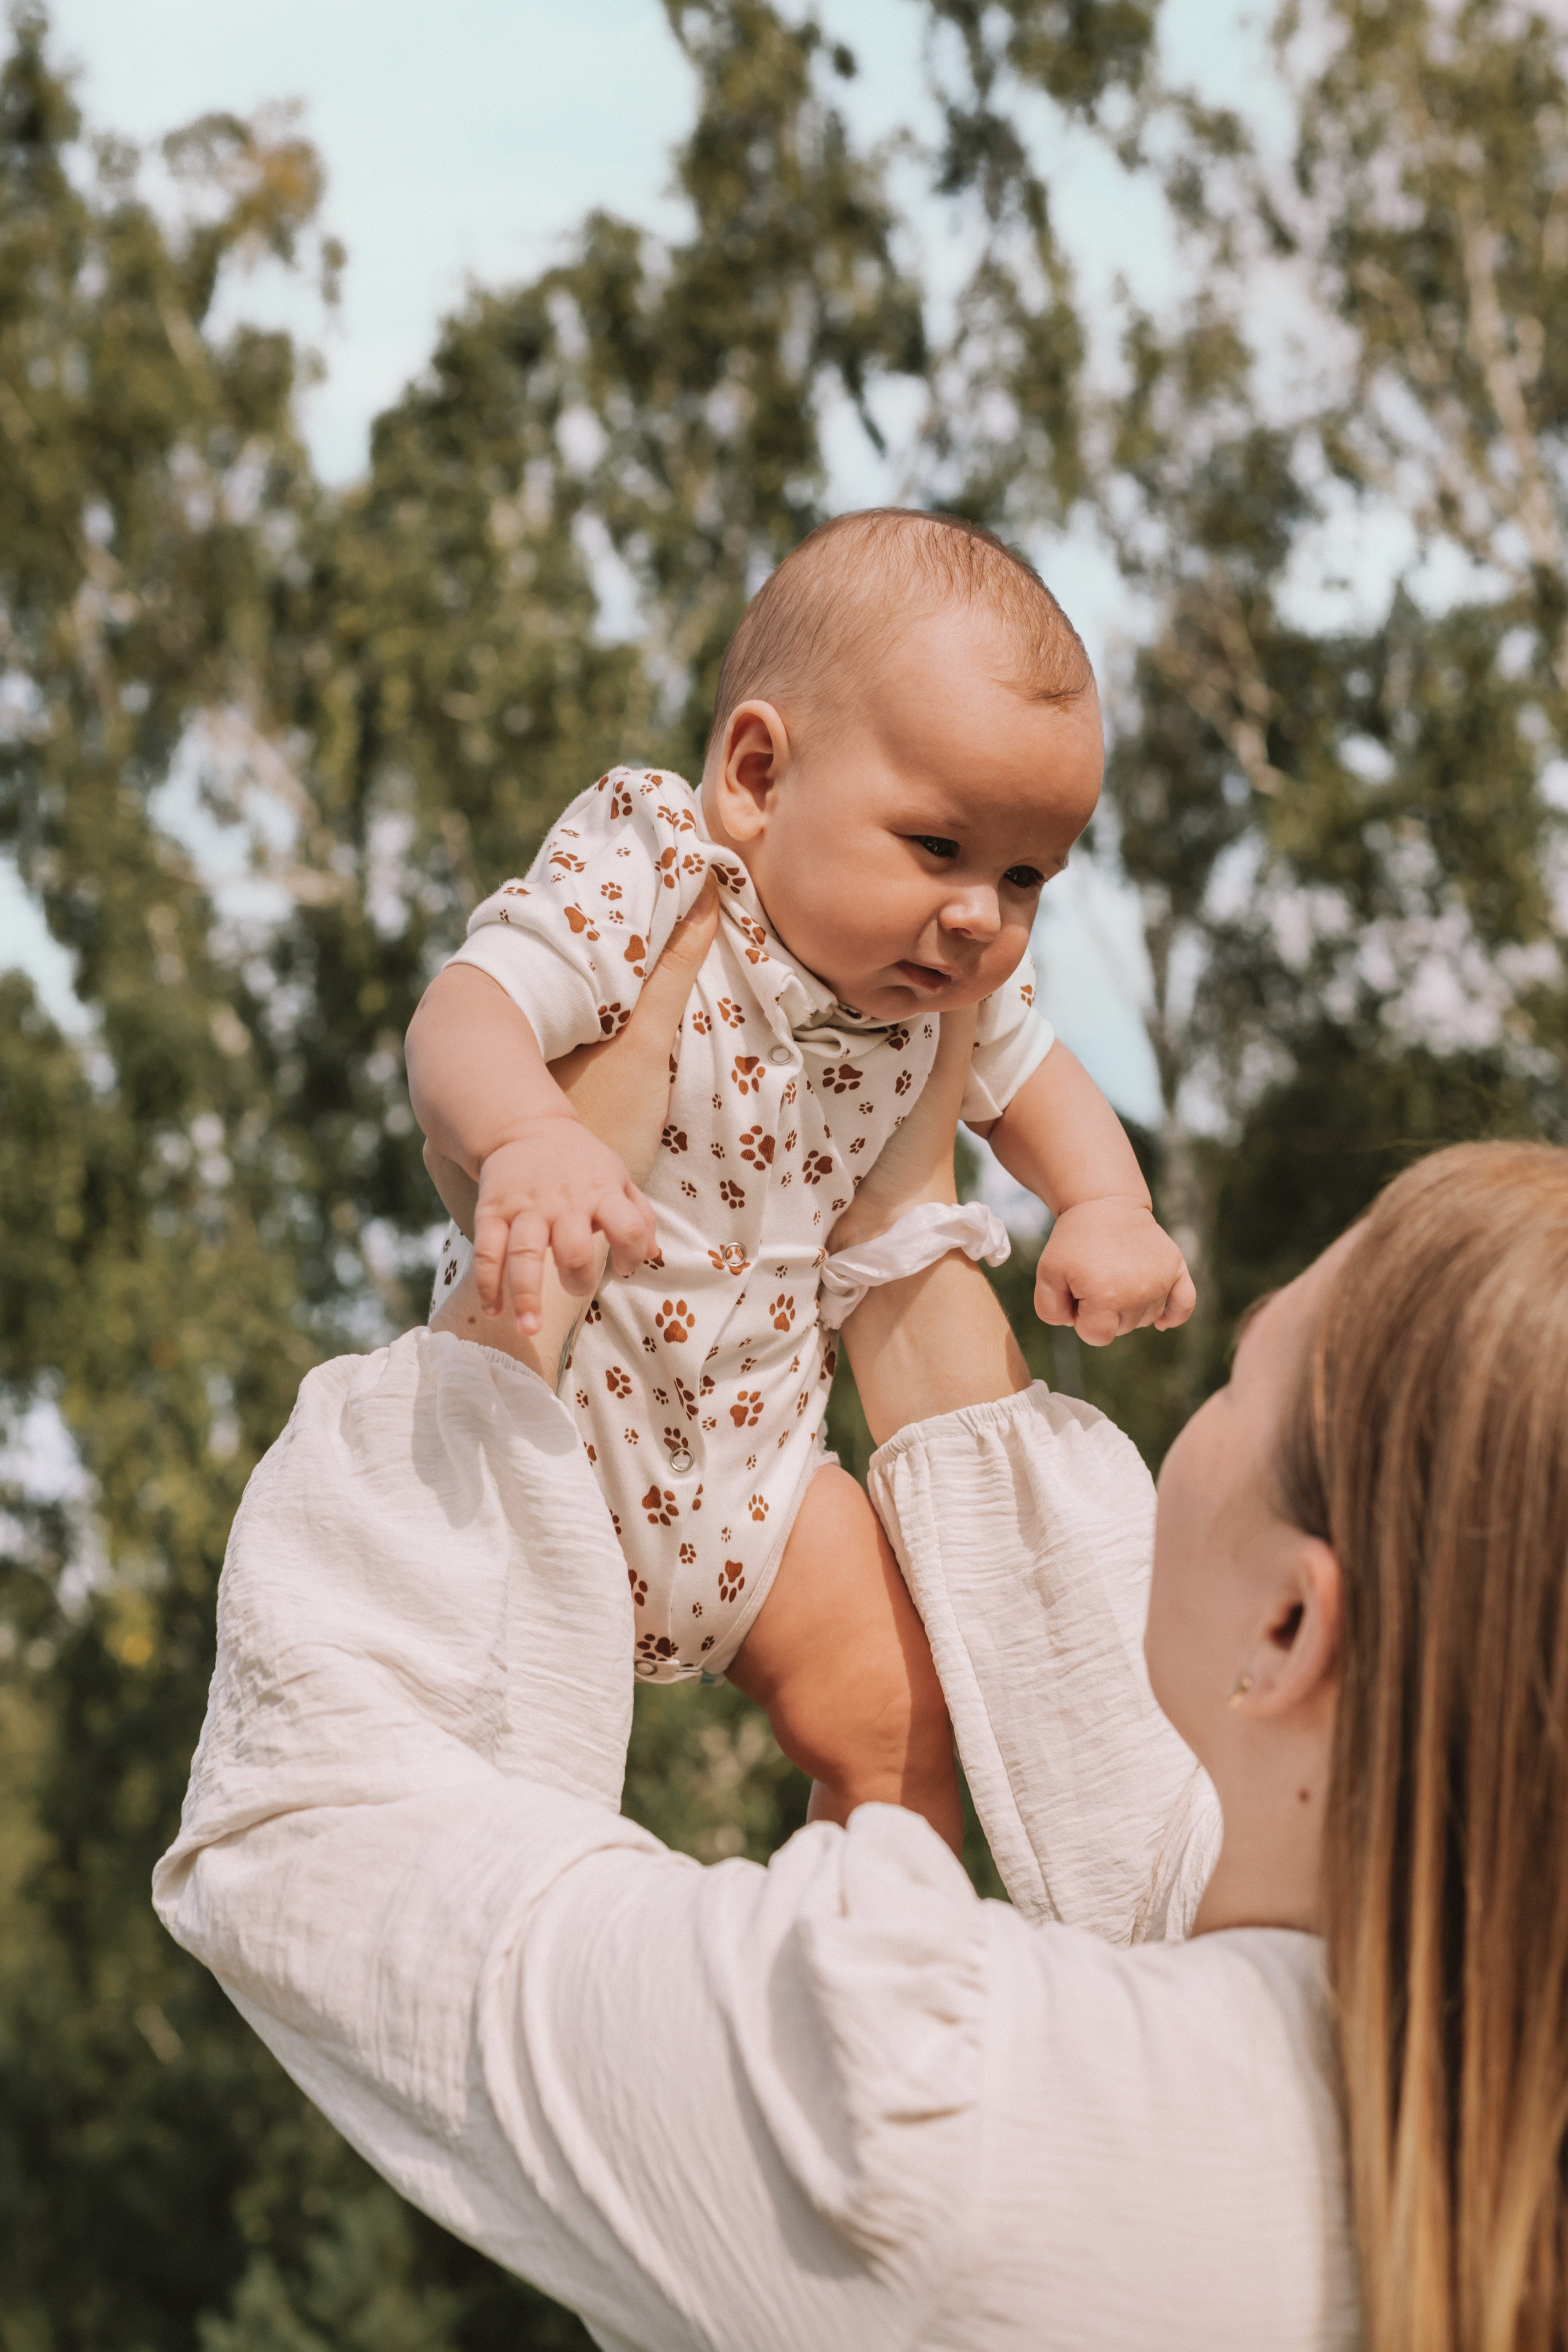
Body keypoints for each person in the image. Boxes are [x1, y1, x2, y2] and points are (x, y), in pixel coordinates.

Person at [156, 914, 1568, 2350]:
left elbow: (307, 1834)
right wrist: (900, 1219)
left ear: (1284, 1624)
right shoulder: (1462, 2142)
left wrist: (526, 1297)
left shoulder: (936, 2124)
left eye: (1244, 1368)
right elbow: (1125, 1796)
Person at [404, 508, 1192, 1852]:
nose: (979, 918)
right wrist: (527, 1134)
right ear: (756, 777)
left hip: (760, 1467)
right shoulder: (656, 871)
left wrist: (1107, 1206)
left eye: (1024, 877)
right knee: (487, 1781)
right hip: (549, 1422)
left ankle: (862, 1962)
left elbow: (1046, 1087)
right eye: (937, 848)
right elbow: (464, 1013)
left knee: (902, 1718)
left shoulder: (948, 993)